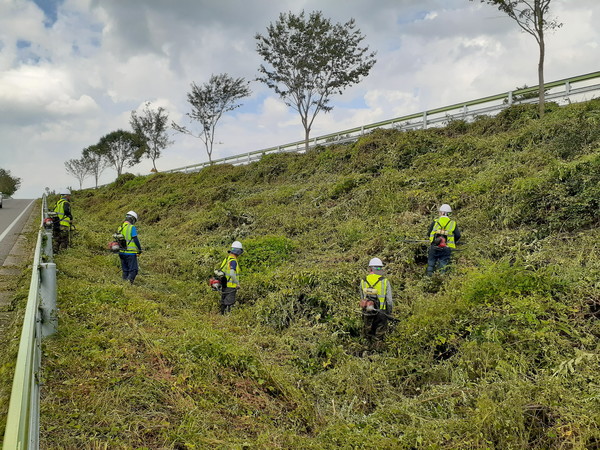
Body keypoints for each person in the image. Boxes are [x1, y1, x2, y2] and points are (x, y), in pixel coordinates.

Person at [360, 257, 394, 343]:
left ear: (370, 268)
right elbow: (389, 301)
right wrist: (389, 312)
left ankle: (367, 350)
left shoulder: (363, 281)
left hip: (367, 311)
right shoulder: (385, 281)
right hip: (381, 312)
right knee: (379, 335)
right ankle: (377, 352)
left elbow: (361, 297)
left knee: (367, 333)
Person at [426, 204, 461, 275]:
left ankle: (428, 279)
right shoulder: (452, 223)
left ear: (442, 212)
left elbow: (429, 233)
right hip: (446, 248)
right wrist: (453, 242)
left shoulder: (435, 221)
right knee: (443, 266)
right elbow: (458, 235)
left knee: (431, 264)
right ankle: (441, 280)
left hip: (434, 247)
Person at [117, 210, 142, 284]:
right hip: (130, 253)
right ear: (132, 219)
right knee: (133, 270)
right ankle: (127, 284)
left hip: (121, 252)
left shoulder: (120, 227)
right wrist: (139, 249)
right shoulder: (131, 227)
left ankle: (124, 284)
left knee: (125, 270)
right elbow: (135, 239)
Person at [218, 241, 243, 314]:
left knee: (223, 302)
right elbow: (232, 274)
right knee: (229, 303)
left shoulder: (227, 259)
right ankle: (226, 318)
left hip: (224, 284)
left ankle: (221, 317)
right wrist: (237, 283)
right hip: (231, 286)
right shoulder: (233, 261)